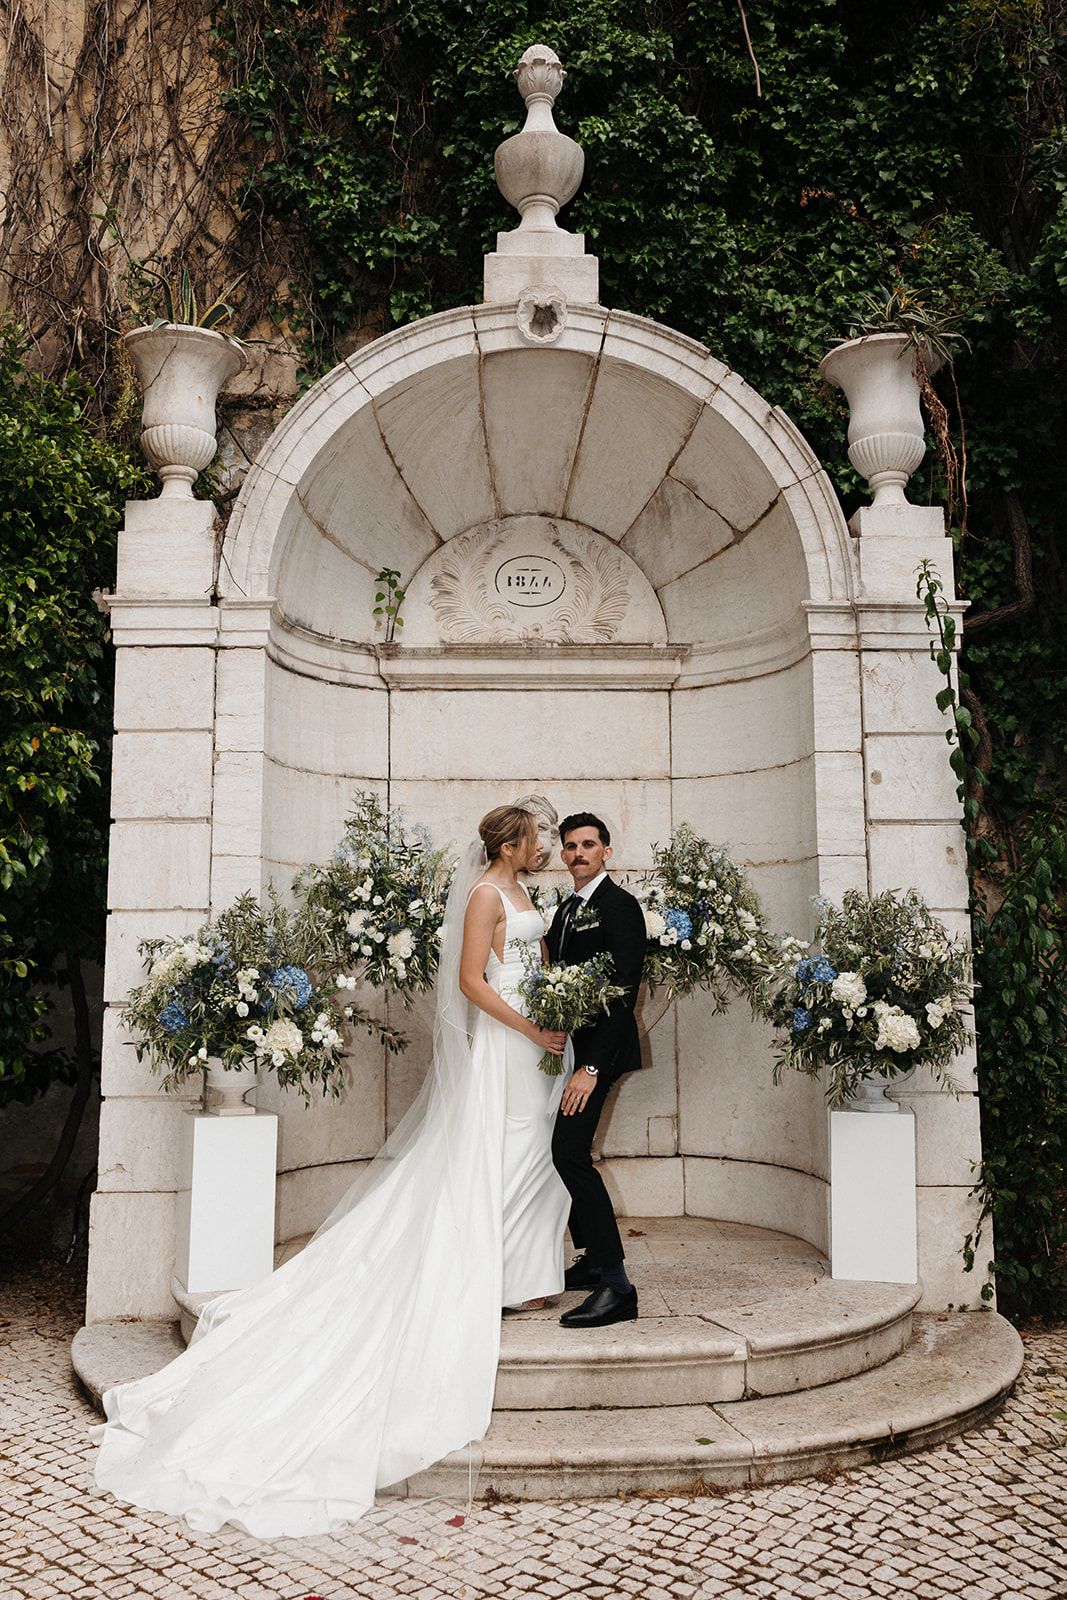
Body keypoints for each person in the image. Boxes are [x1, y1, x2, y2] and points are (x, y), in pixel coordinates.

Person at [90, 806, 569, 1537]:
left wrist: (556, 1017)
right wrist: (531, 1027)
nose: (545, 846)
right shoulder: (481, 896)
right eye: (535, 837)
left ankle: (520, 1272)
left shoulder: (530, 895)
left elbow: (532, 964)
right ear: (508, 845)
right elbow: (473, 982)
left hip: (538, 1042)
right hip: (506, 1045)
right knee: (495, 1154)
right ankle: (483, 1270)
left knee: (534, 1156)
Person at [545, 812, 648, 1330]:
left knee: (568, 1154)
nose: (579, 853)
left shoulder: (620, 906)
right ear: (563, 856)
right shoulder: (566, 910)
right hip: (567, 1052)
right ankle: (589, 1259)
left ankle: (617, 1284)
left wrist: (588, 1067)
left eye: (589, 844)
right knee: (559, 1151)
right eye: (571, 846)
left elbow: (625, 992)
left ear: (607, 852)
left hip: (597, 1055)